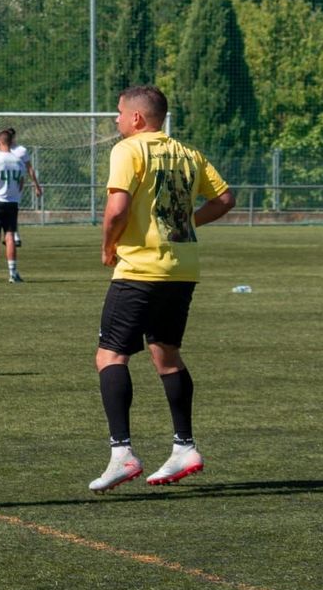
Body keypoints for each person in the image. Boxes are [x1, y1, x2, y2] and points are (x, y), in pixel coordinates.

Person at [89, 85, 233, 493]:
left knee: (110, 356)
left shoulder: (128, 150)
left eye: (118, 113)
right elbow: (224, 199)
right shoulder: (189, 154)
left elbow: (117, 208)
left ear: (137, 118)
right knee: (166, 355)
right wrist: (185, 225)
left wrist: (107, 246)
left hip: (140, 268)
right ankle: (184, 446)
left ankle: (122, 454)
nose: (116, 120)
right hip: (182, 269)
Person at [0, 128, 36, 283]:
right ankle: (13, 273)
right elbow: (21, 184)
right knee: (10, 237)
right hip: (12, 203)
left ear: (0, 143)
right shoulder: (18, 161)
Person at [8, 132, 41, 248]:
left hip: (17, 183)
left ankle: (15, 236)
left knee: (13, 209)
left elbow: (29, 168)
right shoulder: (1, 149)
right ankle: (10, 235)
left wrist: (36, 185)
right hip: (3, 184)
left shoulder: (21, 150)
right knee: (4, 210)